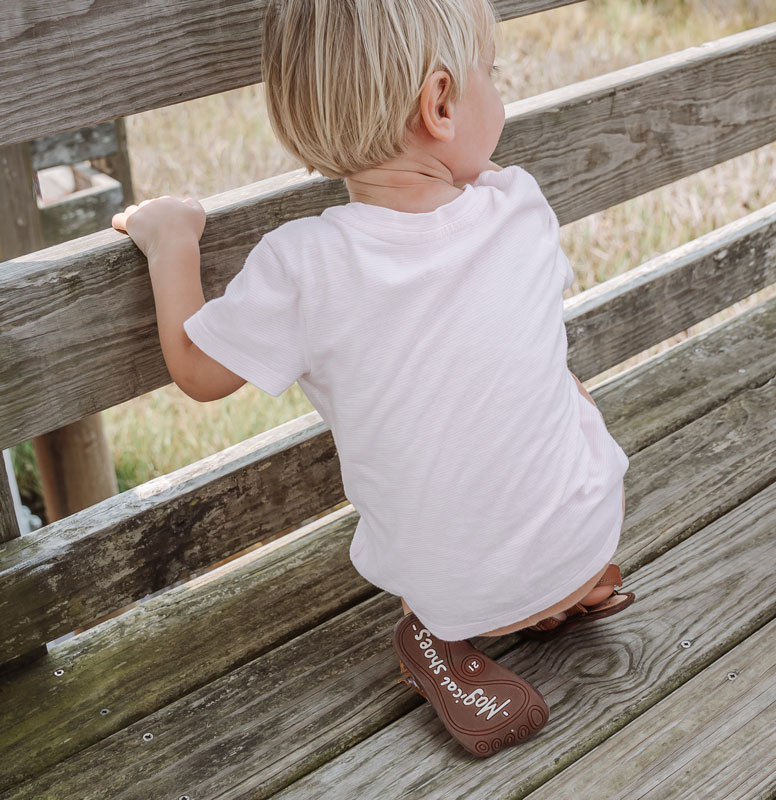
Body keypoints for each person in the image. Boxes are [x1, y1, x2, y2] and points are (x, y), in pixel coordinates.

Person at [112, 0, 633, 757]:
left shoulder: (304, 265)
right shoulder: (519, 204)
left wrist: (171, 239)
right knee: (564, 385)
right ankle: (546, 591)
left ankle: (439, 639)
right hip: (592, 539)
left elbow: (196, 371)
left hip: (457, 592)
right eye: (495, 74)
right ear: (442, 102)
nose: (504, 96)